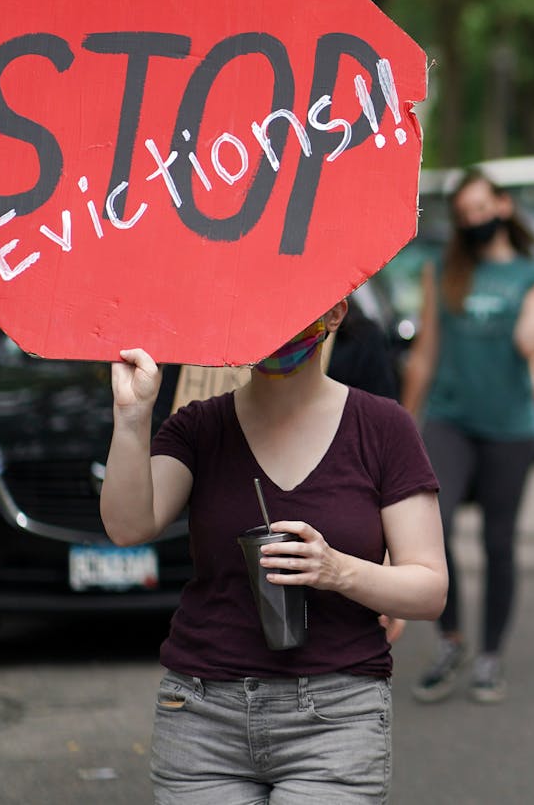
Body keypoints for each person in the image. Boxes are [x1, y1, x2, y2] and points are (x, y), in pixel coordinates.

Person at [102, 302, 447, 802]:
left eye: (298, 308)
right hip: (200, 716)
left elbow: (430, 589)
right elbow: (128, 525)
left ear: (335, 315)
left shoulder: (384, 427)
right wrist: (132, 417)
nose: (276, 324)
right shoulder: (197, 427)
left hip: (337, 717)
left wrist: (336, 570)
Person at [403, 172, 534, 705]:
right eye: (465, 213)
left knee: (499, 542)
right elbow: (426, 352)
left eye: (483, 207)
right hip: (451, 419)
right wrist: (405, 426)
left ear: (503, 206)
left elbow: (530, 340)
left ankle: (490, 656)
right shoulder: (443, 270)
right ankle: (451, 640)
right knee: (438, 524)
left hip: (510, 427)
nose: (475, 219)